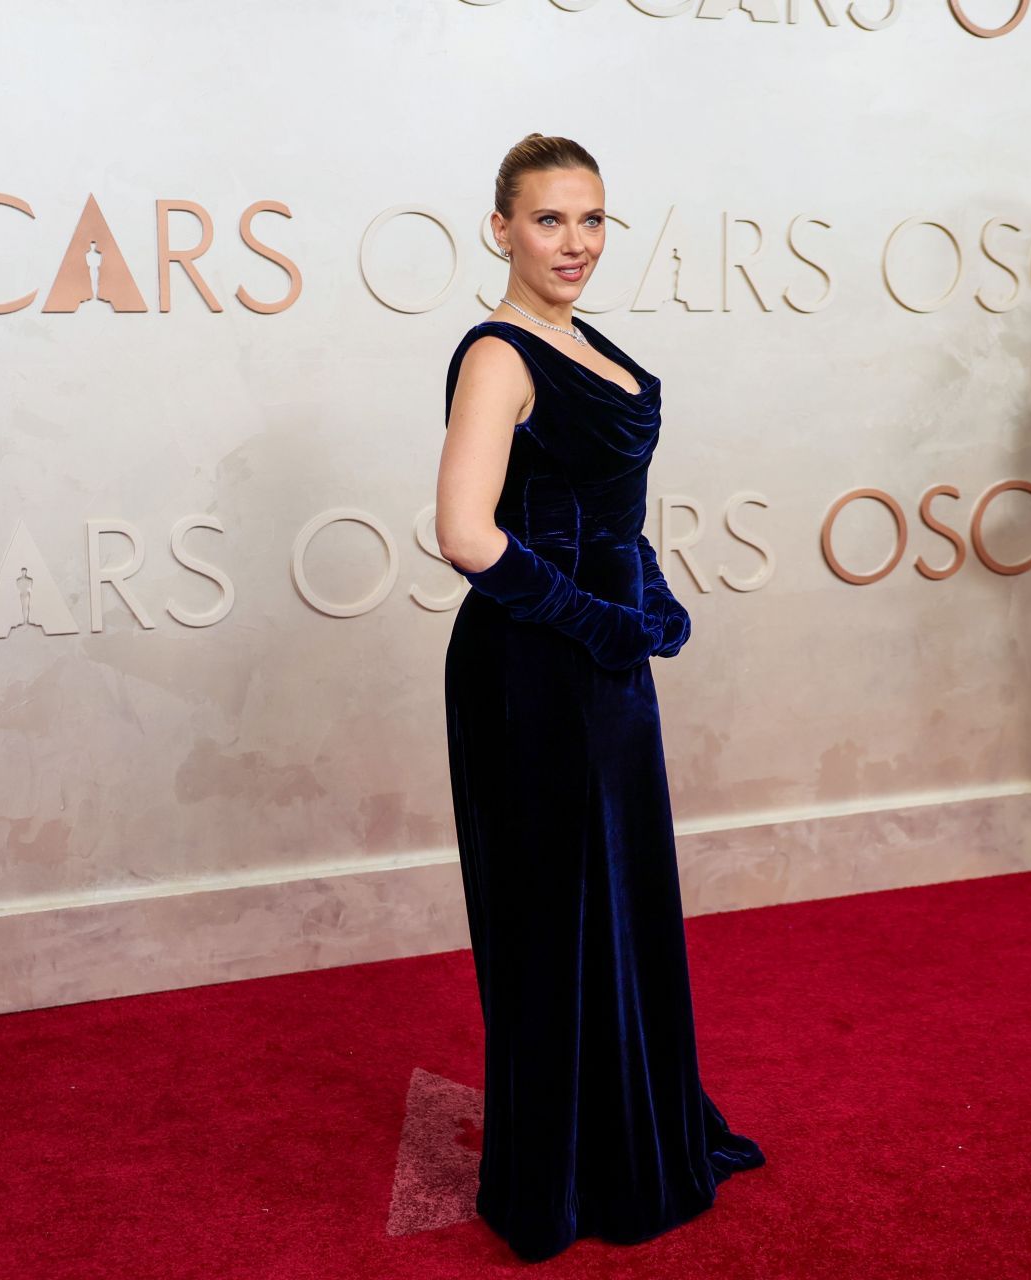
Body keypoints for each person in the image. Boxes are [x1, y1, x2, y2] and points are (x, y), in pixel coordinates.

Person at [432, 133, 764, 1262]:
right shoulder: (498, 353)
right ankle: (564, 1174)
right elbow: (466, 533)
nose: (573, 244)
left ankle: (630, 1133)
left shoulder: (583, 339)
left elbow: (601, 506)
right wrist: (604, 621)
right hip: (533, 668)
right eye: (548, 221)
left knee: (616, 899)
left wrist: (650, 592)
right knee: (556, 914)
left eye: (591, 220)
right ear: (500, 229)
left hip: (601, 664)